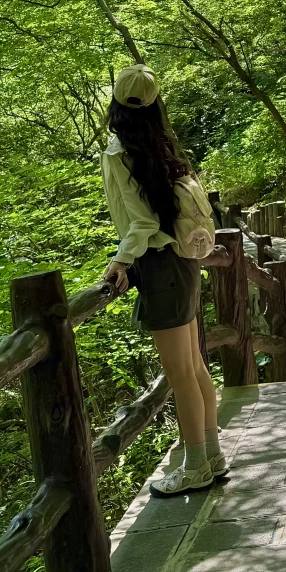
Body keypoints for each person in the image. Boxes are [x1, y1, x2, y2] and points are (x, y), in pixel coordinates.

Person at [100, 62, 224, 497]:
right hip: (184, 261)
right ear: (155, 105)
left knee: (180, 373)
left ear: (116, 101)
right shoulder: (163, 144)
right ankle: (210, 455)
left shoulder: (118, 152)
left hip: (159, 264)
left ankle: (195, 468)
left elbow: (140, 221)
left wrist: (120, 261)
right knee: (193, 367)